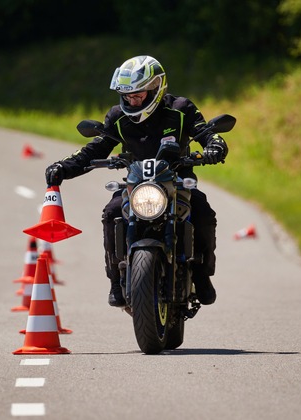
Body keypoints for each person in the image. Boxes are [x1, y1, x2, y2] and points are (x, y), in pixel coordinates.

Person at [44, 55, 228, 307]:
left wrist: (215, 146)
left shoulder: (181, 109)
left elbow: (206, 133)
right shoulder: (118, 117)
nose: (132, 100)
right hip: (136, 185)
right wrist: (63, 167)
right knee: (111, 212)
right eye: (127, 95)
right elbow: (96, 148)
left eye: (138, 95)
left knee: (204, 212)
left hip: (178, 182)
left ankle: (202, 275)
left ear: (156, 88)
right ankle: (115, 279)